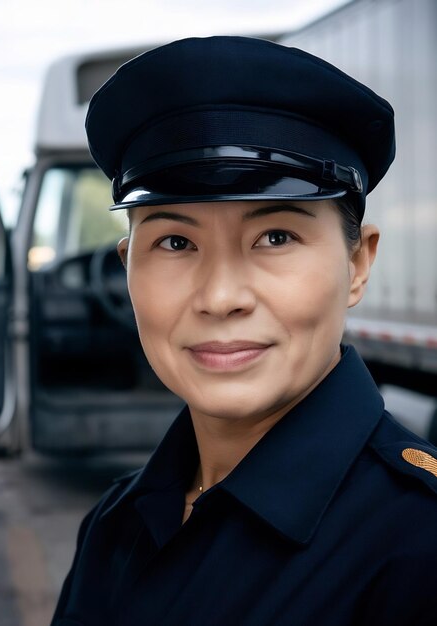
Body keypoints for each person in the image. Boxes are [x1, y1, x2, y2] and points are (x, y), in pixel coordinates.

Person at [51, 36, 437, 626]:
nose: (221, 297)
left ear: (357, 265)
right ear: (128, 267)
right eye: (175, 242)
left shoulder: (419, 546)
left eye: (276, 237)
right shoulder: (114, 523)